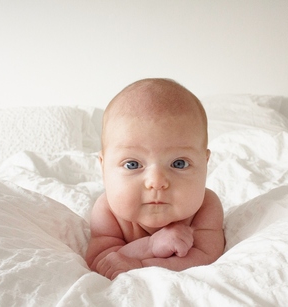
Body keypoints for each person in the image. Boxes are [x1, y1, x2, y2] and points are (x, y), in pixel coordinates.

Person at [85, 78, 224, 280]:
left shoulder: (206, 206)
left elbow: (205, 256)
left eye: (179, 163)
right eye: (132, 164)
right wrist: (149, 246)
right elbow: (101, 261)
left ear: (205, 163)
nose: (156, 182)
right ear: (103, 166)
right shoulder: (107, 210)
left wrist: (140, 264)